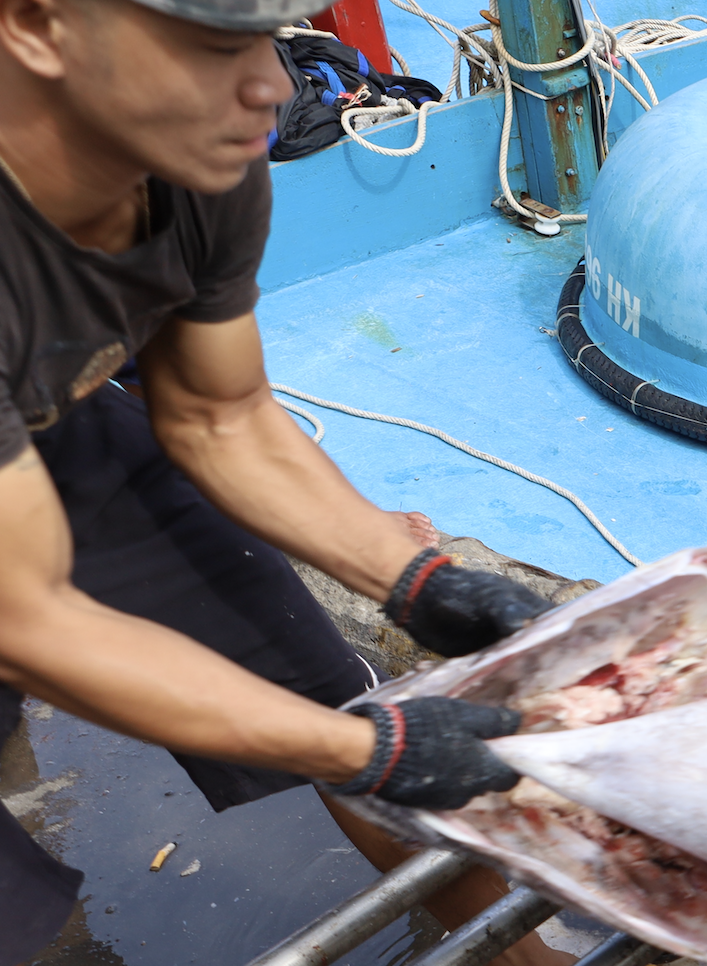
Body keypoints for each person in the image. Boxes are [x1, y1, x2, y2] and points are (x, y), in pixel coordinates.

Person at [0, 2, 569, 963]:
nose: (272, 87)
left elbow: (217, 414)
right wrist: (369, 752)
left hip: (69, 421)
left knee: (332, 690)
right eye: (213, 47)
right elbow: (31, 618)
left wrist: (412, 580)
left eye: (269, 38)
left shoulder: (190, 156)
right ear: (35, 26)